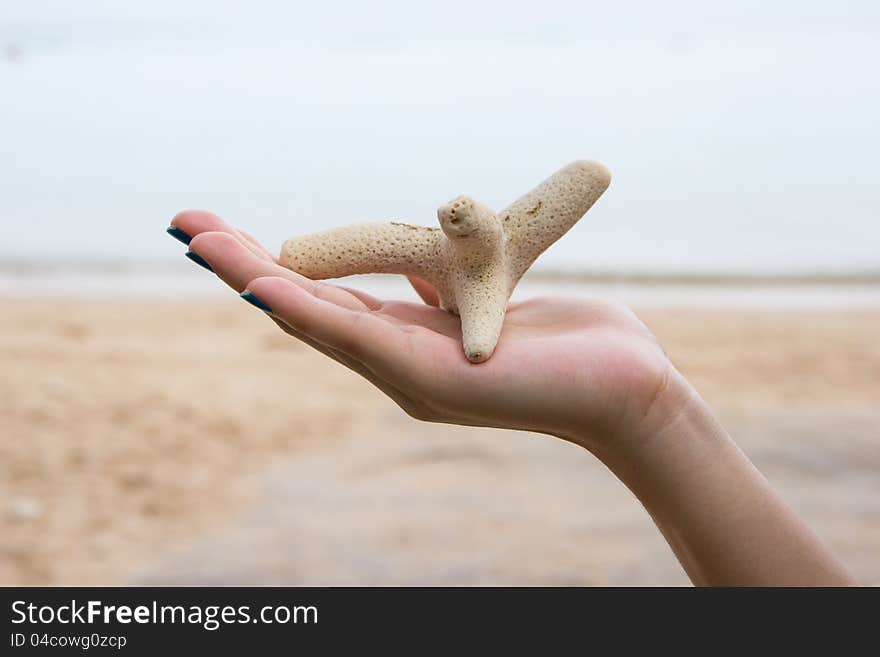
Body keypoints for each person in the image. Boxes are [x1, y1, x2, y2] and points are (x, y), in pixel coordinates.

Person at [168, 210, 858, 587]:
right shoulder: (469, 248)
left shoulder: (488, 255)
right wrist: (653, 417)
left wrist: (649, 412)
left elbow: (481, 299)